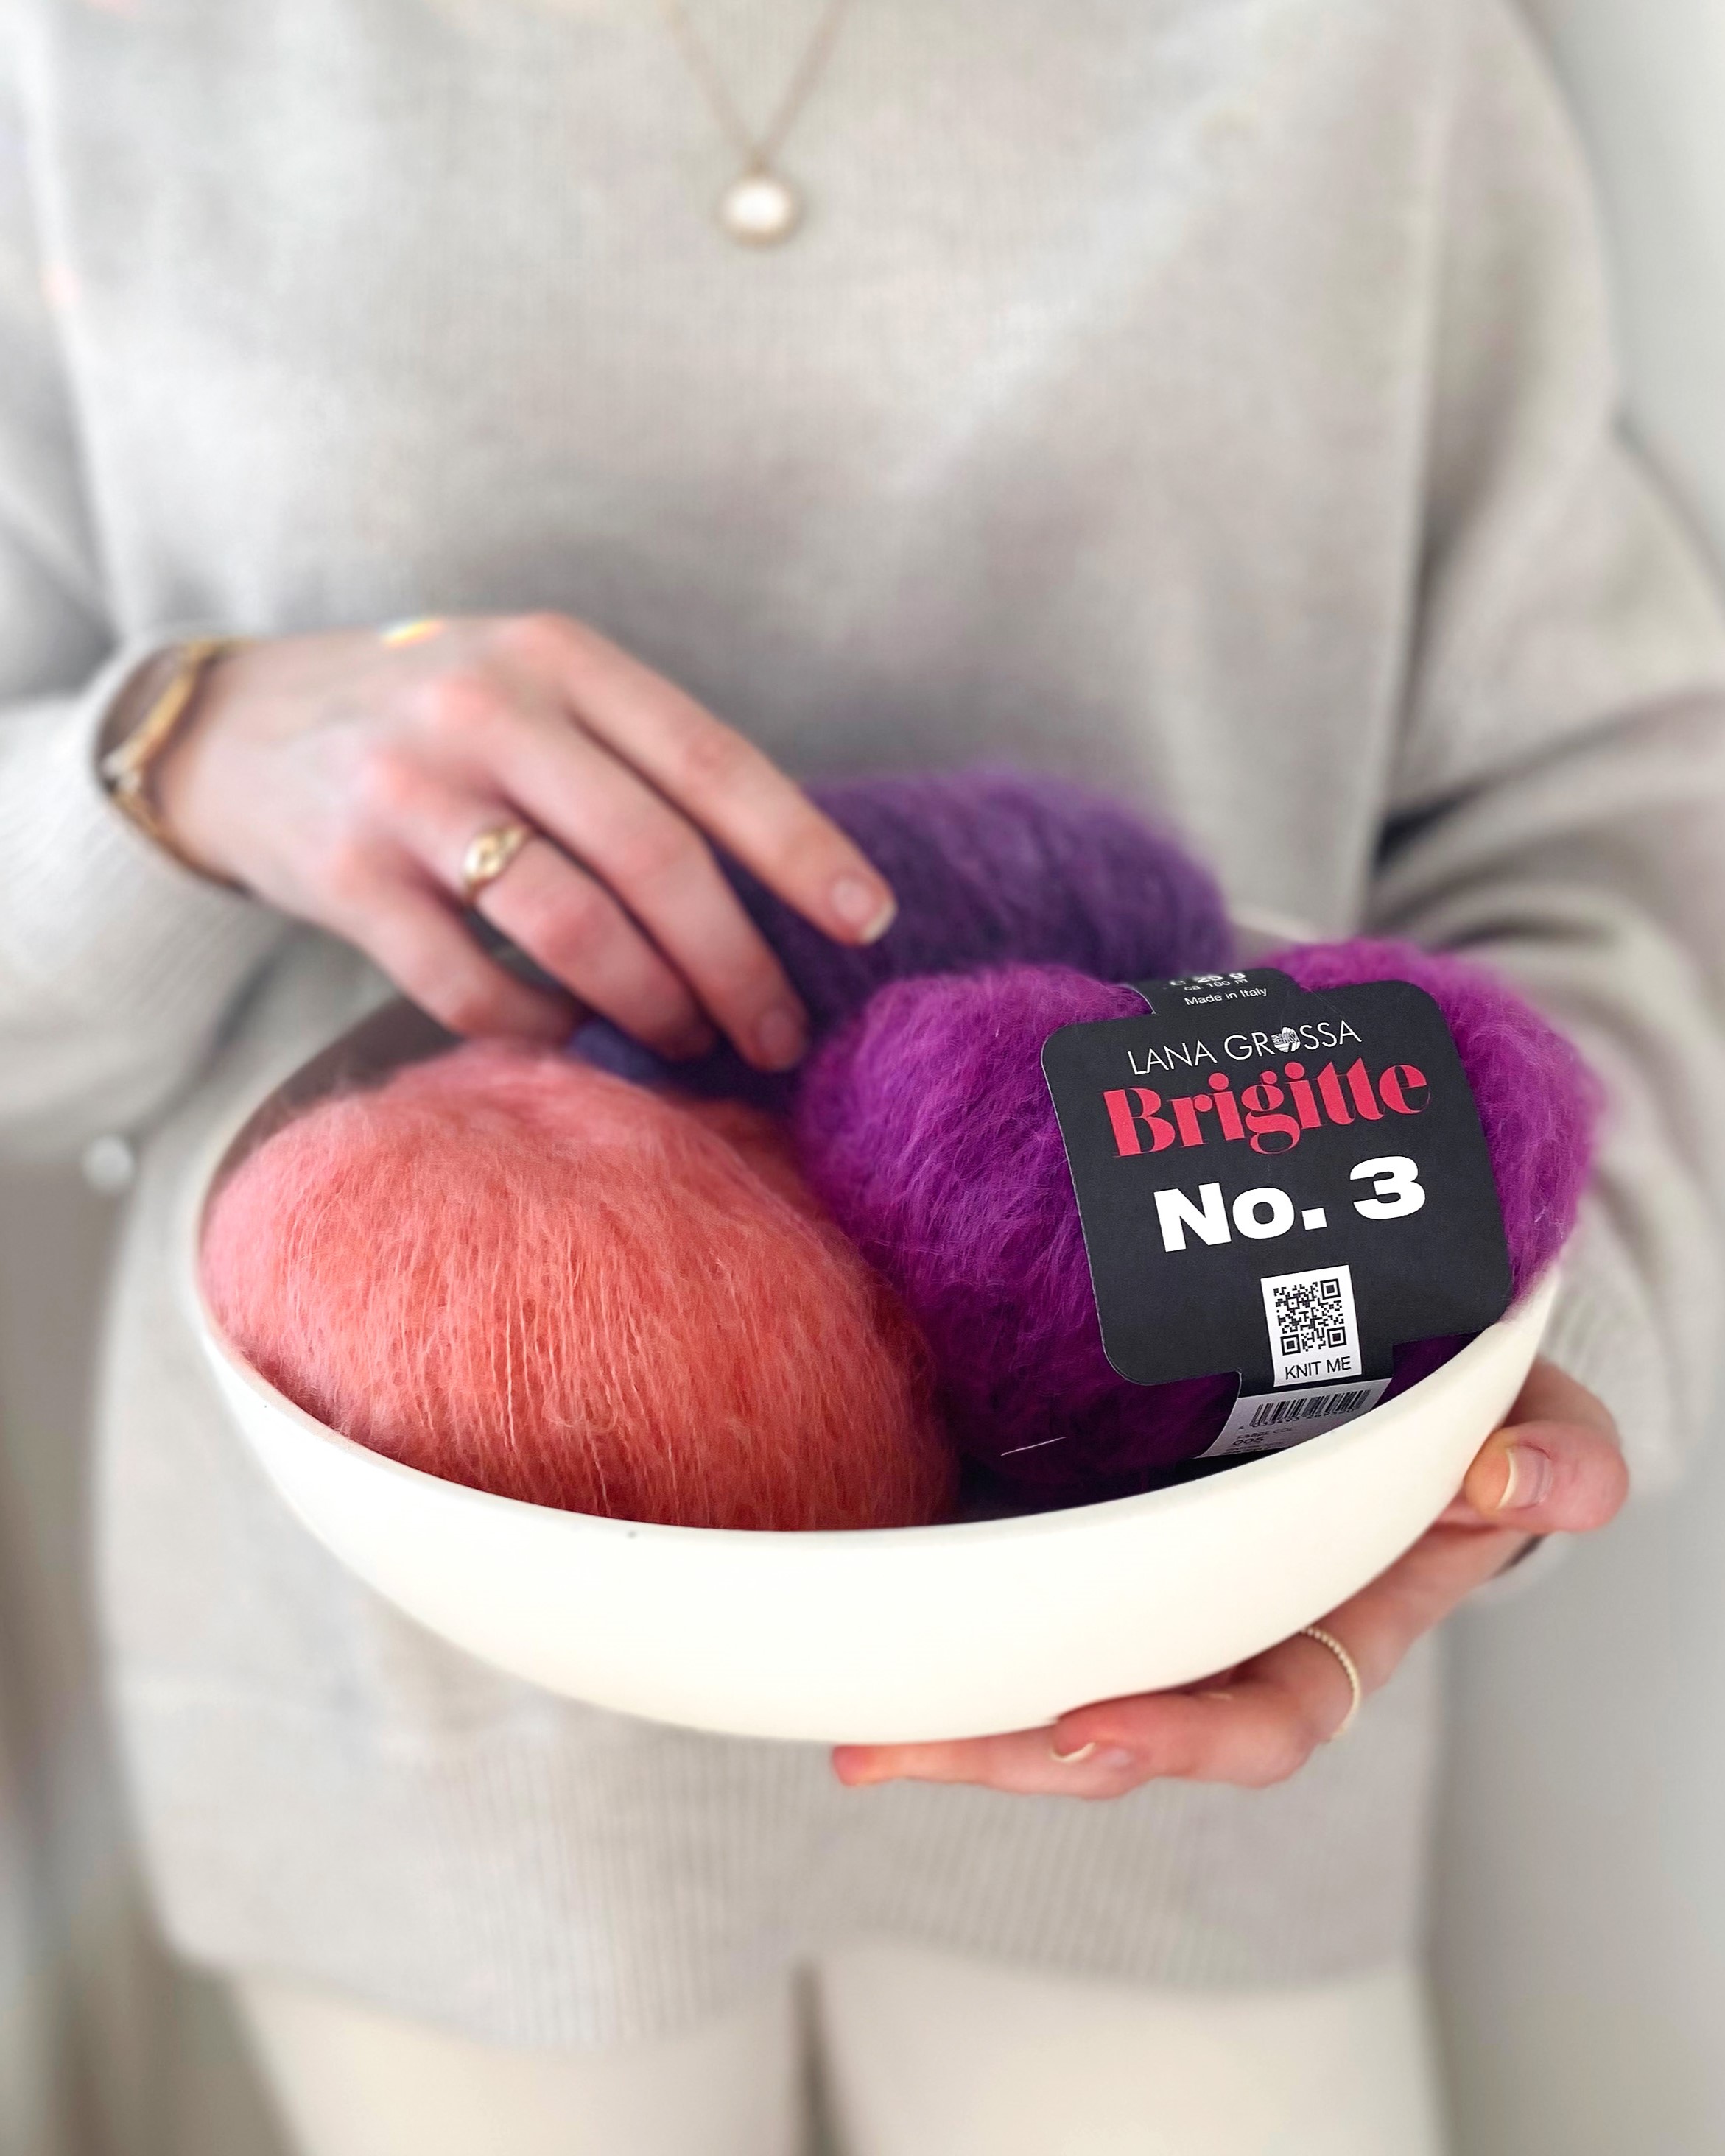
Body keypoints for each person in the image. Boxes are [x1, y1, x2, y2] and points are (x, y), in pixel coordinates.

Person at [2, 0, 1721, 2149]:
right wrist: (165, 762)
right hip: (412, 1696)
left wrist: (1502, 1387)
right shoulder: (97, 55)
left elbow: (1618, 815)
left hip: (1194, 1600)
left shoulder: (1358, 48)